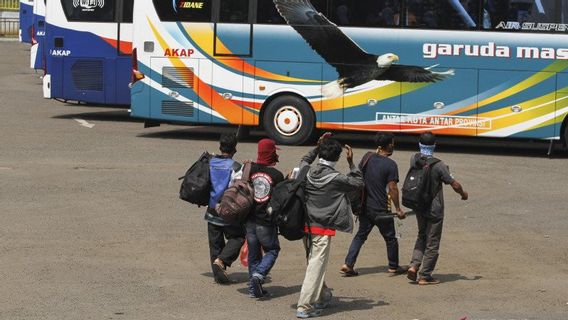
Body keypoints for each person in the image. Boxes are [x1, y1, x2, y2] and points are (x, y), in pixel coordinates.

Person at [296, 133, 364, 318]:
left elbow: (304, 159)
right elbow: (358, 182)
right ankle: (305, 306)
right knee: (316, 265)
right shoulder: (337, 179)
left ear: (320, 155)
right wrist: (351, 163)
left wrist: (317, 147)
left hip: (304, 226)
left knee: (313, 263)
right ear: (338, 157)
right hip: (322, 229)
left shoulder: (306, 171)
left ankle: (323, 295)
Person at [340, 132, 407, 277]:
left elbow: (357, 175)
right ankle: (393, 267)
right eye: (393, 143)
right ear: (389, 145)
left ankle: (348, 264)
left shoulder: (367, 157)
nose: (394, 145)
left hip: (365, 207)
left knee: (360, 236)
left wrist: (350, 162)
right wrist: (398, 209)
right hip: (382, 209)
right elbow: (393, 188)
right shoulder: (391, 165)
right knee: (390, 238)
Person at [406, 132, 468, 285]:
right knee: (432, 241)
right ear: (434, 145)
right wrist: (463, 194)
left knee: (421, 235)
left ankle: (414, 266)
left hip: (419, 205)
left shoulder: (414, 159)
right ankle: (425, 275)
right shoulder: (439, 165)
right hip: (434, 209)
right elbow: (454, 184)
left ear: (420, 145)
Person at [246, 139, 285, 298]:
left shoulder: (249, 169)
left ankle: (253, 289)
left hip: (249, 219)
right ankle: (259, 275)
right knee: (272, 250)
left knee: (254, 255)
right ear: (271, 153)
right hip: (266, 221)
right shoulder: (277, 175)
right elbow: (282, 197)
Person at [205, 133, 246, 285]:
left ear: (220, 146)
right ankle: (221, 261)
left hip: (211, 209)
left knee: (215, 243)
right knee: (238, 237)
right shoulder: (236, 167)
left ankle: (218, 275)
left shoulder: (210, 162)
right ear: (235, 149)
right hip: (228, 211)